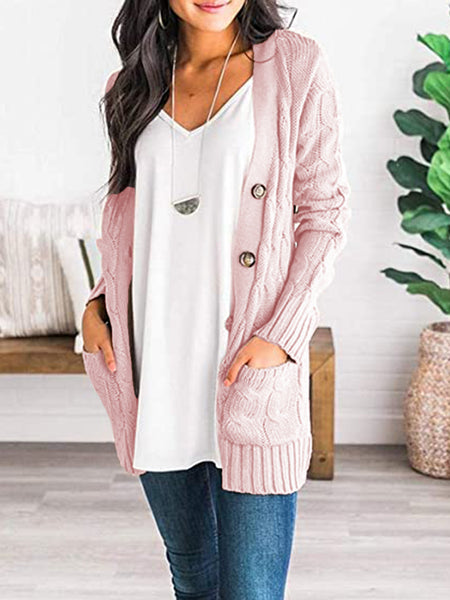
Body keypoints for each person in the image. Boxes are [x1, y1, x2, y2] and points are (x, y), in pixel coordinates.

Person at [81, 0, 351, 597]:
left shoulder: (295, 66)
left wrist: (281, 337)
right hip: (154, 372)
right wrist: (98, 304)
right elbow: (126, 223)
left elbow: (325, 214)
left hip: (246, 373)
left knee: (251, 590)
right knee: (193, 576)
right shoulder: (131, 84)